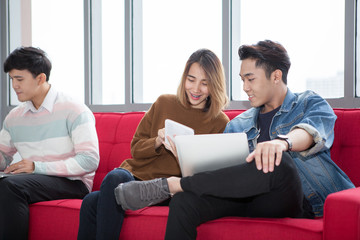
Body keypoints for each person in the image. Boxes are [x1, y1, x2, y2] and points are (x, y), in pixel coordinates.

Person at [115, 40, 355, 239]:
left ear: (276, 76)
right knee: (185, 202)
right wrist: (189, 163)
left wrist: (282, 142)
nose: (245, 87)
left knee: (277, 160)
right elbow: (222, 175)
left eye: (250, 79)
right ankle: (179, 187)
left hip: (296, 200)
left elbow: (313, 132)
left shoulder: (309, 103)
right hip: (247, 199)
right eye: (242, 80)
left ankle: (171, 185)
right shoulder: (238, 124)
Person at [77, 48, 230, 240]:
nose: (196, 89)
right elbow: (135, 148)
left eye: (204, 83)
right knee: (102, 190)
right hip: (135, 175)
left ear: (214, 85)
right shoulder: (164, 103)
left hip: (165, 189)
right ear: (184, 78)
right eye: (191, 80)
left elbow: (212, 173)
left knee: (93, 200)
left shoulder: (220, 122)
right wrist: (157, 141)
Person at [0, 47, 99, 239]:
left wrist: (37, 167)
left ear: (40, 78)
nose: (14, 85)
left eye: (19, 79)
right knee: (9, 183)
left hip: (73, 183)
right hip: (34, 180)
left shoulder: (74, 109)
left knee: (11, 186)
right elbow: (3, 157)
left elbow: (89, 161)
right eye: (12, 79)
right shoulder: (14, 117)